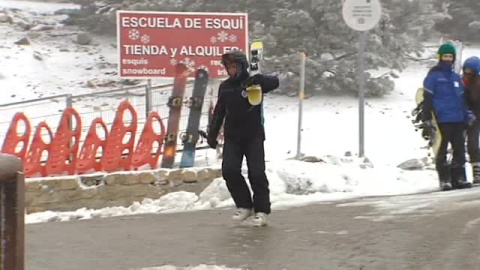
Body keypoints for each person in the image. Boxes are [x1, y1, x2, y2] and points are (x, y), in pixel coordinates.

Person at [206, 50, 279, 226]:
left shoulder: (254, 82)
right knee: (229, 171)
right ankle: (244, 205)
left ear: (242, 66)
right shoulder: (225, 87)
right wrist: (212, 134)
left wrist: (260, 80)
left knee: (257, 173)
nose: (230, 70)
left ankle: (261, 211)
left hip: (253, 136)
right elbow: (219, 112)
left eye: (233, 67)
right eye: (227, 67)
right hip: (233, 137)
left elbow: (275, 81)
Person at [422, 43, 472, 191]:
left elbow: (462, 100)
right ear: (440, 57)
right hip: (441, 119)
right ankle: (445, 180)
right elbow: (427, 98)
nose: (448, 59)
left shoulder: (456, 78)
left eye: (450, 56)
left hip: (458, 119)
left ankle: (460, 178)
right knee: (442, 150)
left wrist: (466, 115)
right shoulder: (433, 77)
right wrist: (427, 117)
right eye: (445, 56)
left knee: (459, 149)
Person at [462, 56, 480, 184]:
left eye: (470, 71)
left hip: (476, 116)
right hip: (465, 117)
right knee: (467, 145)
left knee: (473, 144)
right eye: (466, 71)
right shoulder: (461, 83)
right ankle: (474, 172)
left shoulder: (477, 84)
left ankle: (477, 171)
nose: (467, 73)